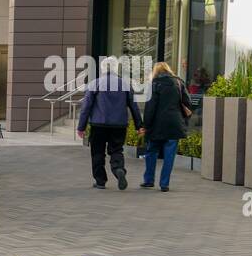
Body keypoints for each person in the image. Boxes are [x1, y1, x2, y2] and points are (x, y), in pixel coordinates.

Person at [76, 58, 143, 190]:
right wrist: (139, 125)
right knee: (116, 150)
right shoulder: (125, 84)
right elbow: (134, 106)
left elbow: (86, 107)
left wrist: (81, 127)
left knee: (97, 152)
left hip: (98, 124)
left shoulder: (95, 83)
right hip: (119, 125)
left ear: (102, 69)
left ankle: (100, 181)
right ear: (115, 68)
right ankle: (119, 169)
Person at [141, 62, 192, 192]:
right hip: (174, 124)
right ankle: (164, 184)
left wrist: (145, 125)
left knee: (151, 151)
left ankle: (148, 180)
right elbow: (188, 102)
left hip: (157, 125)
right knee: (169, 155)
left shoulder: (154, 84)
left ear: (156, 72)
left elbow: (150, 107)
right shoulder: (179, 82)